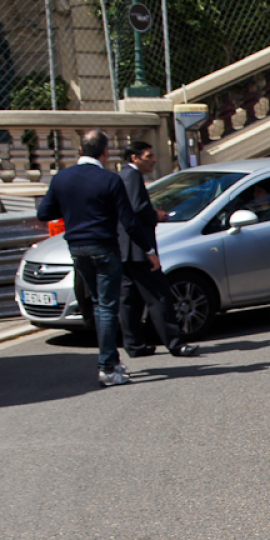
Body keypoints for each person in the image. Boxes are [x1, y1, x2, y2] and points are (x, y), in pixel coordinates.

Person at [37, 130, 156, 386]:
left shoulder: (62, 178)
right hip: (104, 247)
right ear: (104, 153)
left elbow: (44, 212)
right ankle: (107, 367)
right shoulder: (109, 180)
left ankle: (111, 361)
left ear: (80, 150)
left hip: (77, 249)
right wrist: (149, 250)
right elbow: (130, 221)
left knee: (99, 304)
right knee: (107, 307)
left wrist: (70, 206)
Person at [117, 141, 198, 358]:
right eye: (148, 156)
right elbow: (137, 208)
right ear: (134, 158)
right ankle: (175, 343)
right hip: (138, 246)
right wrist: (156, 215)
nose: (153, 160)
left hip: (124, 248)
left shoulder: (122, 176)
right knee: (159, 294)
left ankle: (134, 344)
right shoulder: (132, 176)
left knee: (130, 298)